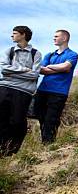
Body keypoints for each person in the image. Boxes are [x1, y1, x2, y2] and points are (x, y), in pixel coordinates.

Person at [0, 26, 42, 156]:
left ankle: (11, 152)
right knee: (2, 120)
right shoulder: (9, 51)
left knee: (17, 121)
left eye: (15, 33)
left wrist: (13, 72)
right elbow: (4, 69)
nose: (12, 36)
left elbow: (34, 75)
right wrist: (24, 70)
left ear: (23, 35)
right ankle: (1, 150)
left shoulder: (36, 53)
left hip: (24, 92)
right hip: (4, 88)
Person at [34, 30, 78, 143]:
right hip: (43, 89)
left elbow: (66, 67)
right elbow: (41, 70)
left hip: (59, 91)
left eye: (56, 36)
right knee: (41, 116)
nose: (54, 38)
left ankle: (48, 143)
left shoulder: (72, 54)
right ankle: (45, 140)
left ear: (64, 38)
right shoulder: (49, 55)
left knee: (52, 118)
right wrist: (58, 68)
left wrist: (51, 67)